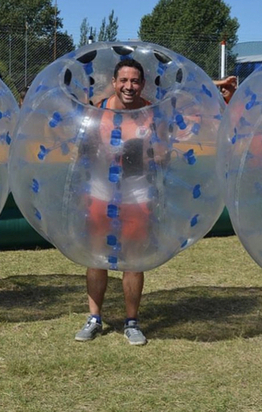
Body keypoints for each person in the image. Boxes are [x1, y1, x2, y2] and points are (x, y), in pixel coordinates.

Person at [75, 59, 154, 346]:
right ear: (114, 82)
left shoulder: (150, 113)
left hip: (136, 191)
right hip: (101, 190)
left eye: (134, 81)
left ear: (142, 84)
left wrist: (147, 159)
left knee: (133, 257)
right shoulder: (98, 110)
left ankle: (131, 322)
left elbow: (163, 153)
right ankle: (94, 318)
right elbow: (83, 152)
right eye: (124, 80)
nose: (129, 87)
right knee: (96, 254)